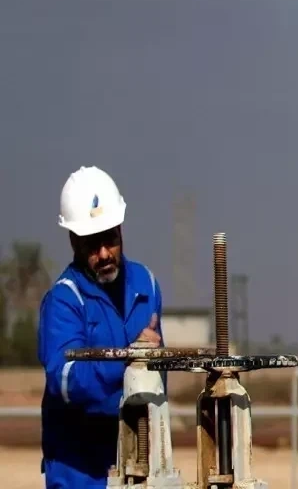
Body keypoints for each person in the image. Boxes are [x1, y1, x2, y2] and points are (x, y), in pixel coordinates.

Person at [37, 166, 165, 489]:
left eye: (110, 238)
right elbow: (64, 381)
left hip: (135, 463)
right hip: (78, 473)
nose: (104, 253)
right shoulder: (64, 300)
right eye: (92, 244)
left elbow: (157, 377)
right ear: (74, 241)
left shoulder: (146, 285)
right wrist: (127, 359)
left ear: (121, 229)